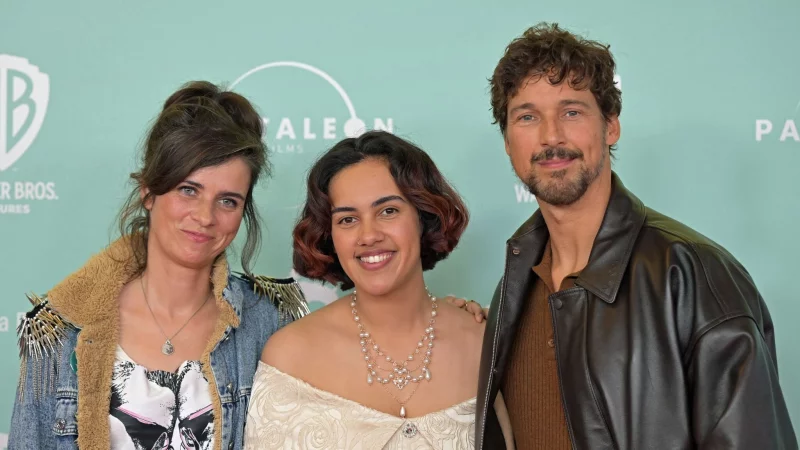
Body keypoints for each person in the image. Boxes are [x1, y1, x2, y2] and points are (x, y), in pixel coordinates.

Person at [475, 23, 798, 450]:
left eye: (571, 112)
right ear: (507, 141)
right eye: (527, 117)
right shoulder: (514, 287)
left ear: (611, 126)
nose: (550, 136)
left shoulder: (695, 275)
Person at [9, 81, 307, 450]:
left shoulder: (271, 322)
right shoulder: (60, 329)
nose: (205, 216)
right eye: (188, 190)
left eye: (228, 201)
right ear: (148, 192)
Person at [244, 131, 514, 449]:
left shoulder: (486, 342)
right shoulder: (290, 356)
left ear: (423, 217)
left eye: (388, 211)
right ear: (329, 236)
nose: (369, 235)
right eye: (347, 219)